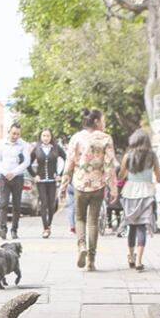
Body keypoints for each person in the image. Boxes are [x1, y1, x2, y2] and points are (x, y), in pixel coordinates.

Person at [60, 109, 117, 271]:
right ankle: (91, 260)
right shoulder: (106, 139)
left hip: (79, 184)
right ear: (97, 121)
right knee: (93, 221)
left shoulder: (76, 138)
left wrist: (63, 186)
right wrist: (113, 188)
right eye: (103, 120)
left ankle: (81, 246)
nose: (104, 123)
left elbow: (69, 163)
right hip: (98, 185)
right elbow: (109, 166)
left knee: (80, 219)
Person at [119, 129, 160, 272]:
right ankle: (139, 261)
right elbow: (159, 177)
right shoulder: (153, 157)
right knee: (142, 227)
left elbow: (121, 176)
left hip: (130, 192)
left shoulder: (127, 157)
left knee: (131, 226)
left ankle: (130, 257)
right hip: (147, 192)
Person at [29, 129, 66, 238]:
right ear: (40, 137)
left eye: (48, 136)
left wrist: (61, 174)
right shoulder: (36, 149)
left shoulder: (56, 148)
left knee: (51, 205)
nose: (46, 138)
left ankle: (49, 225)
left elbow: (66, 159)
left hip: (52, 180)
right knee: (43, 203)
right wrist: (34, 175)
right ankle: (45, 228)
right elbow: (28, 164)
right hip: (41, 181)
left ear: (51, 137)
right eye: (44, 135)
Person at [0, 123, 30, 240]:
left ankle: (14, 230)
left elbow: (26, 162)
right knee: (3, 204)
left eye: (18, 134)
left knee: (16, 205)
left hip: (18, 177)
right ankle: (2, 229)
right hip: (4, 177)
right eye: (14, 133)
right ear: (9, 131)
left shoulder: (23, 144)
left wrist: (14, 173)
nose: (15, 136)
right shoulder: (1, 144)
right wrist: (6, 173)